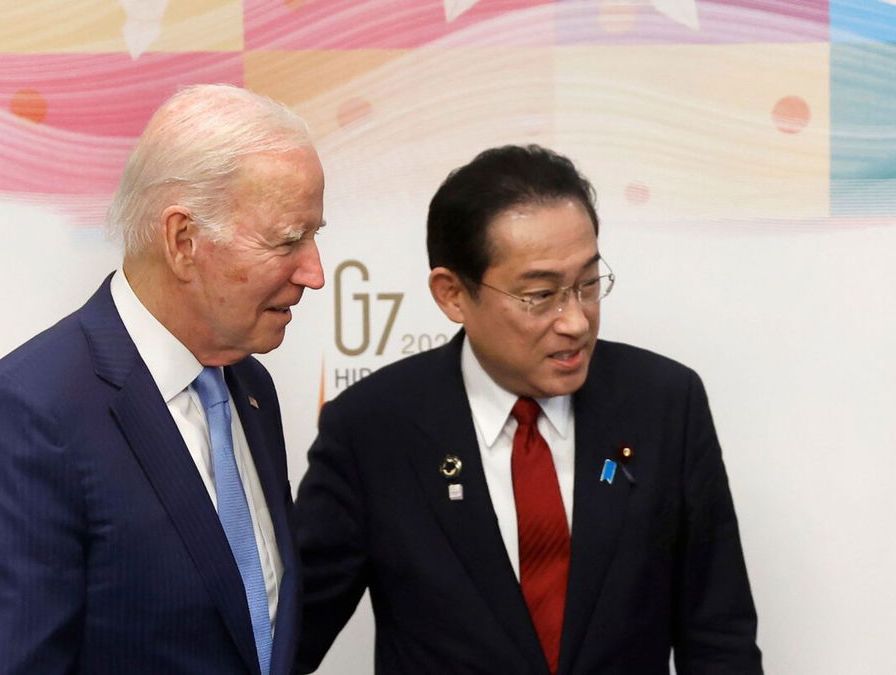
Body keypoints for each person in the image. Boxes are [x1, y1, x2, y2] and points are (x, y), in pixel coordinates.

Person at [294, 145, 761, 674]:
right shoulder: (373, 428)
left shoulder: (664, 404)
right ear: (452, 295)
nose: (576, 322)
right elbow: (289, 637)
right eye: (540, 295)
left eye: (587, 284)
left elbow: (719, 639)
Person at [0, 84, 326, 675]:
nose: (315, 272)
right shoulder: (26, 417)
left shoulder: (250, 388)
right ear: (182, 241)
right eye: (288, 240)